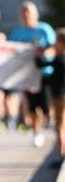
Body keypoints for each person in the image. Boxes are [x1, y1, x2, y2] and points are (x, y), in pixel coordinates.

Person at [9, 1, 56, 148]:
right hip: (26, 75)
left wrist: (43, 52)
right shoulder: (17, 33)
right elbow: (10, 52)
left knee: (46, 106)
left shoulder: (44, 29)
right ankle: (37, 132)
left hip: (45, 73)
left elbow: (55, 48)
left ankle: (51, 124)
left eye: (29, 11)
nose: (26, 14)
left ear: (36, 14)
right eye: (24, 12)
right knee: (33, 106)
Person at [35, 26, 65, 167]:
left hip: (60, 96)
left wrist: (38, 54)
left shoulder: (60, 58)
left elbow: (41, 64)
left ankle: (61, 156)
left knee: (59, 126)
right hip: (59, 95)